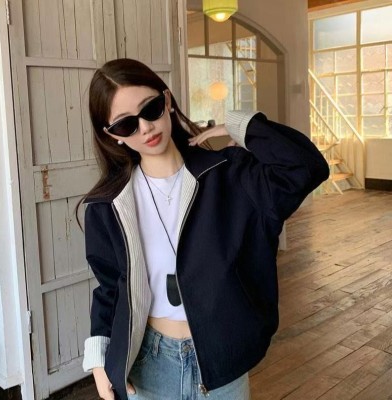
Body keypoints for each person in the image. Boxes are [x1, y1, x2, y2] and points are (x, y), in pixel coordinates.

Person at [80, 58, 329, 400]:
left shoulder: (231, 176)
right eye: (126, 125)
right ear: (112, 135)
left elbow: (307, 167)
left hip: (221, 358)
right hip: (147, 363)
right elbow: (110, 287)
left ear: (167, 101)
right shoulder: (108, 205)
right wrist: (99, 360)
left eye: (151, 109)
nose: (146, 128)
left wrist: (240, 126)